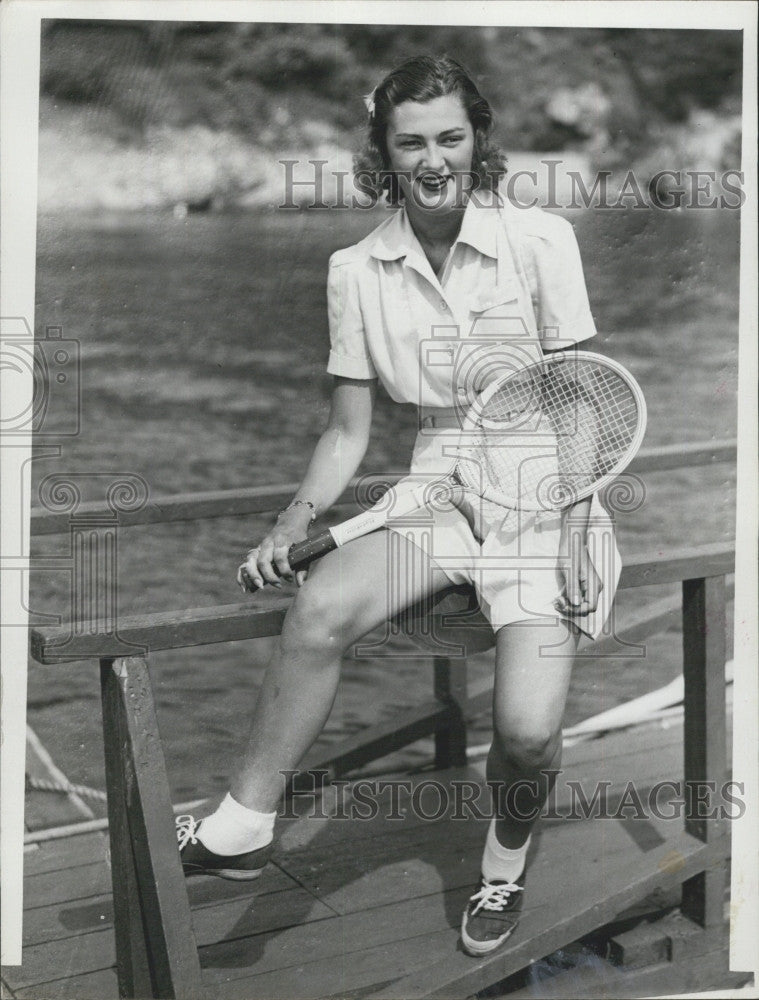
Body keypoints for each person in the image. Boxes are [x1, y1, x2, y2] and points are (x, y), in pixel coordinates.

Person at [175, 54, 620, 957]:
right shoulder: (354, 269)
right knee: (321, 605)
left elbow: (583, 396)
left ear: (477, 140)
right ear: (382, 150)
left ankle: (501, 868)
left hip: (546, 494)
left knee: (529, 738)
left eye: (449, 137)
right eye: (409, 141)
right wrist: (294, 521)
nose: (432, 159)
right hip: (438, 492)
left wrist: (576, 522)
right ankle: (243, 824)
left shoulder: (539, 239)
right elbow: (346, 432)